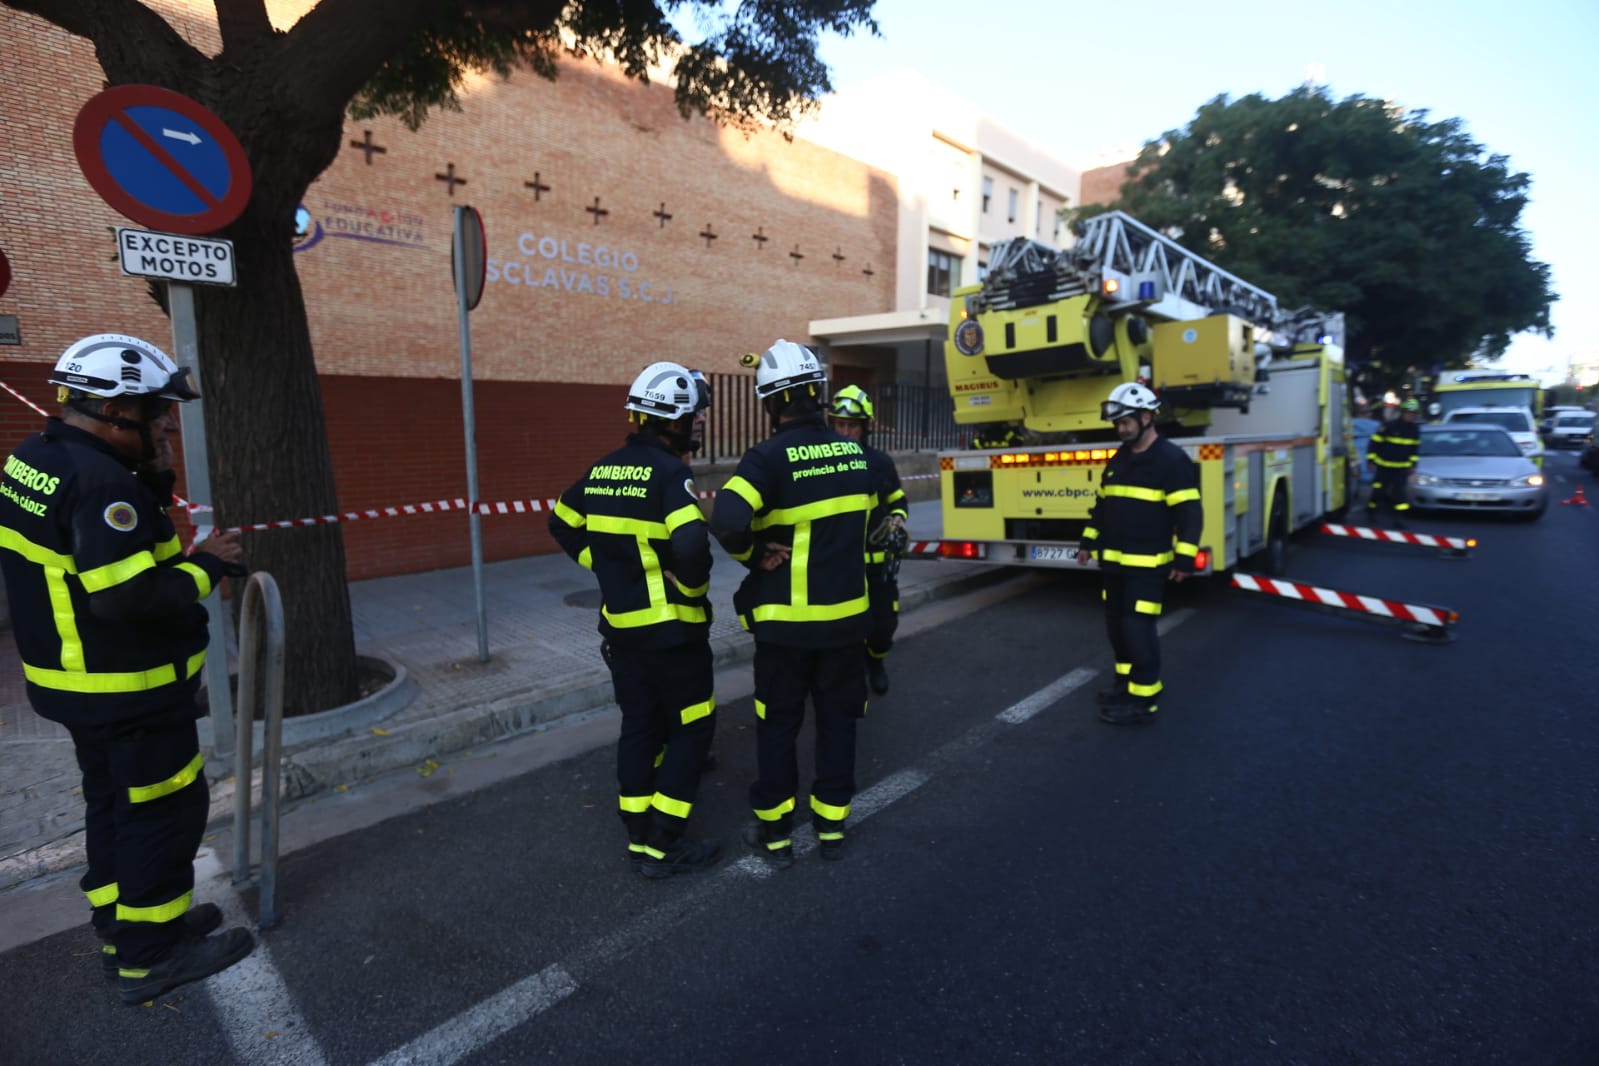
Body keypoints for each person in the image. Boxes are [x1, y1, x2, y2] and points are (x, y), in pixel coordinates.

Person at [0, 333, 255, 1004]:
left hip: (78, 688)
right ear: (115, 413)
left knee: (114, 808)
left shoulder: (40, 458)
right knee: (161, 816)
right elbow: (127, 597)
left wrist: (158, 494)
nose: (168, 423)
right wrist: (206, 566)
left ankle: (125, 925)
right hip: (126, 694)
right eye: (156, 411)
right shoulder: (102, 484)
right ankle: (150, 955)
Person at [548, 361, 722, 879]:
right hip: (673, 634)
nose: (696, 425)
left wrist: (602, 565)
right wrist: (689, 588)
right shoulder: (672, 474)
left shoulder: (603, 469)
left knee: (641, 726)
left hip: (622, 633)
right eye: (693, 417)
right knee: (693, 727)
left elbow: (561, 522)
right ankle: (664, 842)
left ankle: (637, 835)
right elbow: (691, 545)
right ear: (672, 421)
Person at [712, 340, 877, 867]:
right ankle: (832, 828)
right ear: (818, 394)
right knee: (838, 723)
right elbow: (870, 525)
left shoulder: (766, 458)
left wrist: (754, 554)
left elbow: (727, 519)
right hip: (848, 624)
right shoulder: (855, 454)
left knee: (779, 726)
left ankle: (776, 834)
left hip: (786, 629)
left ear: (768, 403)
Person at [1075, 382, 1201, 726]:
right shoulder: (1120, 457)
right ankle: (1125, 684)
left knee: (1137, 629)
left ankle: (1144, 700)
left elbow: (1190, 513)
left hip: (1147, 569)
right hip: (1113, 565)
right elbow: (1103, 505)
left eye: (1126, 422)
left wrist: (1185, 557)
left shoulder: (1172, 460)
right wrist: (1087, 543)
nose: (1121, 429)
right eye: (1117, 424)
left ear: (1147, 417)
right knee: (1117, 628)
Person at [826, 385, 907, 696]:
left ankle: (876, 662)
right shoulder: (822, 465)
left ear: (865, 427)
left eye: (852, 426)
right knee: (843, 627)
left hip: (878, 565)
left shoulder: (880, 462)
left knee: (883, 624)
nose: (845, 432)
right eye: (840, 425)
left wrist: (898, 519)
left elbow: (898, 500)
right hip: (841, 566)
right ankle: (849, 672)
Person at [1365, 398, 1422, 529]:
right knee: (1378, 492)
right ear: (1402, 412)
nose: (1411, 415)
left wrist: (1413, 466)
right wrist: (1371, 460)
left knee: (1400, 495)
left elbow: (1414, 450)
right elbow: (1374, 443)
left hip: (1401, 469)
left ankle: (1399, 519)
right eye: (1409, 413)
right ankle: (1371, 511)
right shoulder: (1389, 426)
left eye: (1413, 413)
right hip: (1384, 467)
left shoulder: (1414, 430)